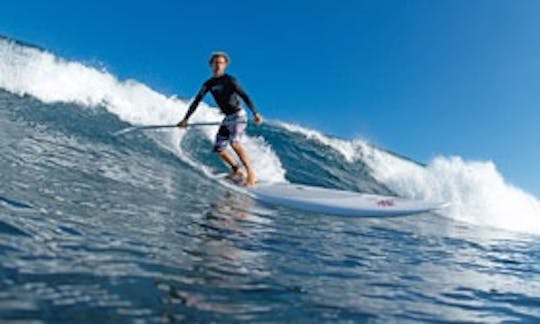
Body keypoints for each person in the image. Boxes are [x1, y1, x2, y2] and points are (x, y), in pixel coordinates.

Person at [177, 52, 263, 186]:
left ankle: (251, 174)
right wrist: (185, 119)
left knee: (234, 143)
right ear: (211, 65)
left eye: (221, 63)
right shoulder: (209, 84)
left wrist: (255, 113)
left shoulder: (230, 80)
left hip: (238, 115)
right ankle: (237, 170)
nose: (218, 65)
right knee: (219, 149)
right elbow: (197, 101)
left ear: (225, 65)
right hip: (228, 118)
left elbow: (245, 96)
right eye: (215, 63)